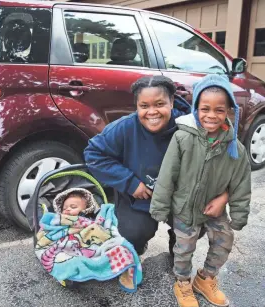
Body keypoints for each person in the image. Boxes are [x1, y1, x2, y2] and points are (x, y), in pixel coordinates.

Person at [84, 75, 229, 256]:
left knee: (198, 223)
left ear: (172, 102)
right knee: (133, 233)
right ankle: (136, 244)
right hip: (140, 197)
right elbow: (93, 154)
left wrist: (222, 196)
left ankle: (176, 244)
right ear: (136, 106)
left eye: (159, 104)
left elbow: (225, 162)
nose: (152, 112)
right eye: (144, 106)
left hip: (179, 198)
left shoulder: (190, 127)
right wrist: (129, 182)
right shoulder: (123, 128)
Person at [150, 74, 252, 307]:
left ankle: (205, 279)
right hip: (185, 209)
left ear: (228, 111)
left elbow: (241, 183)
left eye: (219, 110)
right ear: (196, 108)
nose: (211, 115)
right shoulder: (182, 138)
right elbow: (167, 175)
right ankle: (183, 283)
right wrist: (160, 207)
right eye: (205, 108)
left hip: (214, 210)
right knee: (184, 249)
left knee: (225, 239)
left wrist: (238, 214)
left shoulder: (234, 148)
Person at [52, 187, 137, 292]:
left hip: (99, 246)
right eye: (64, 208)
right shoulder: (61, 222)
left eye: (73, 207)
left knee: (122, 250)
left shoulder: (94, 219)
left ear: (86, 209)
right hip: (75, 249)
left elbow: (104, 229)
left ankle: (123, 270)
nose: (67, 209)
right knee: (60, 256)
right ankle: (68, 272)